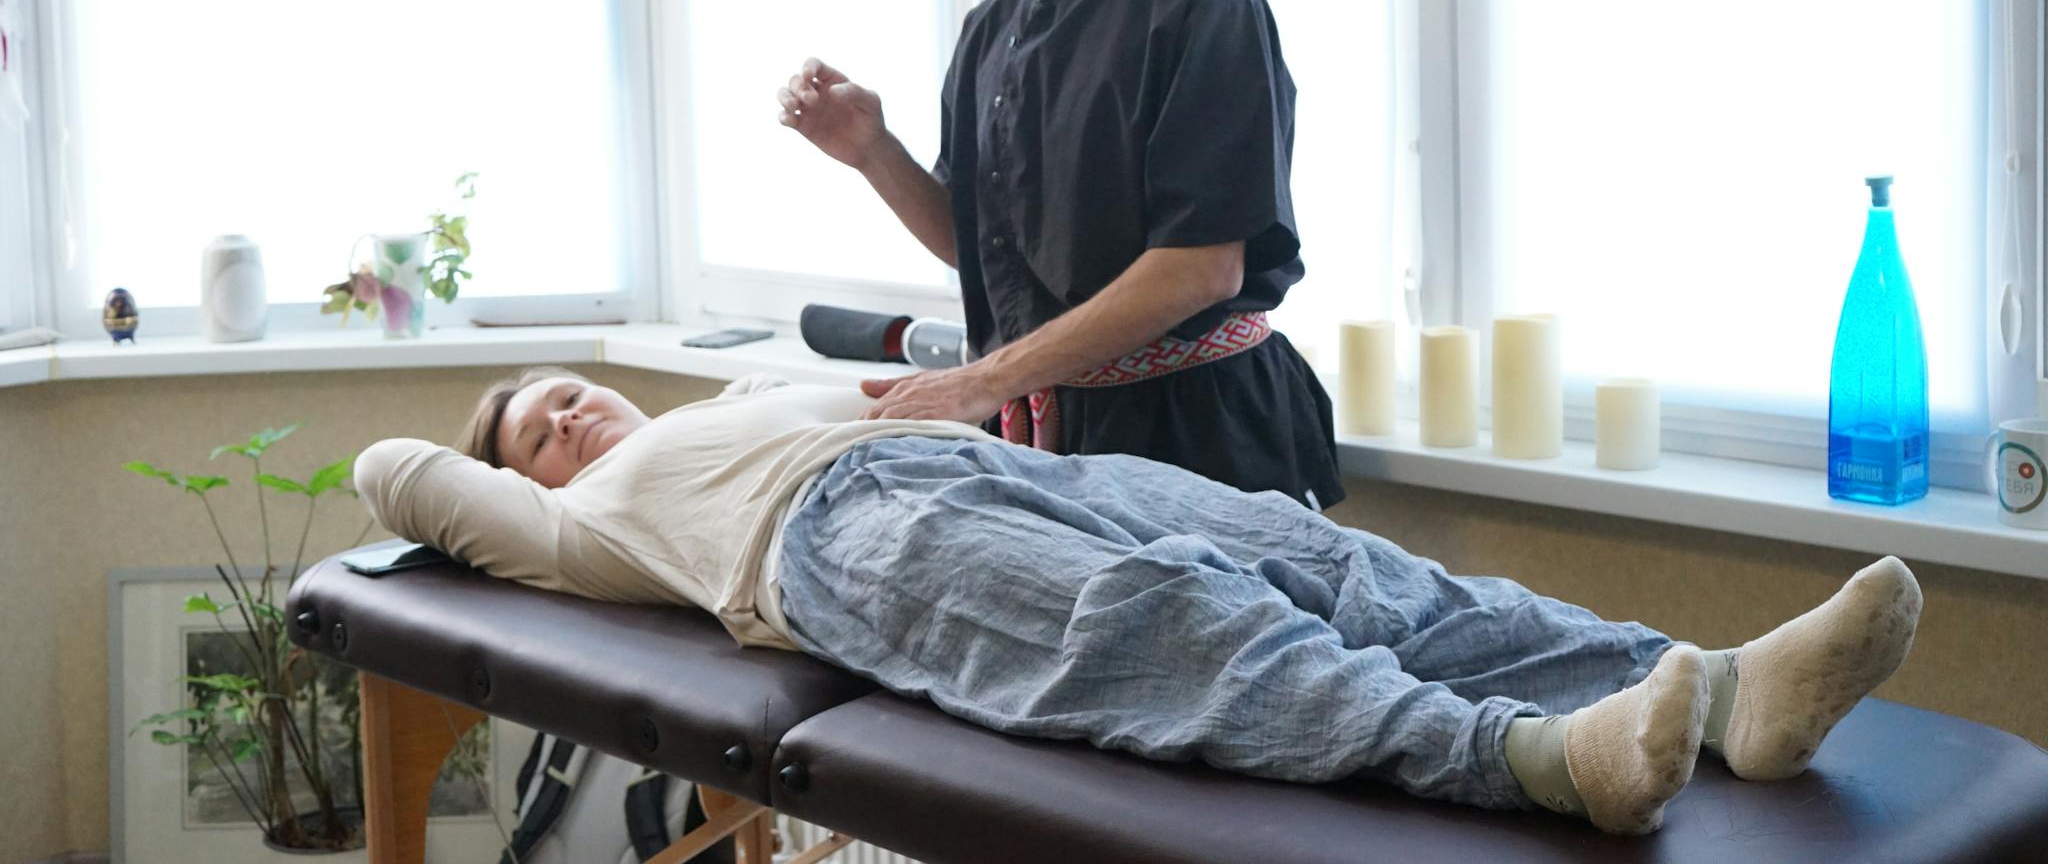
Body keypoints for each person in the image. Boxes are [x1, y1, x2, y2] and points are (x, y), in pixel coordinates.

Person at [354, 367, 1924, 837]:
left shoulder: (739, 392)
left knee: (1333, 562)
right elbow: (394, 469)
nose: (563, 421)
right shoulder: (582, 527)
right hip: (829, 540)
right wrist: (498, 458)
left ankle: (1717, 686)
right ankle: (1528, 757)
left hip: (976, 465)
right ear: (529, 489)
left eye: (568, 395)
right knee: (1179, 627)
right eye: (532, 434)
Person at [777, 0, 1342, 509]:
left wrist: (980, 380)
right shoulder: (987, 32)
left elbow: (1202, 264)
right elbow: (985, 247)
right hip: (1040, 438)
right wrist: (875, 151)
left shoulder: (1205, 0)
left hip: (1201, 440)